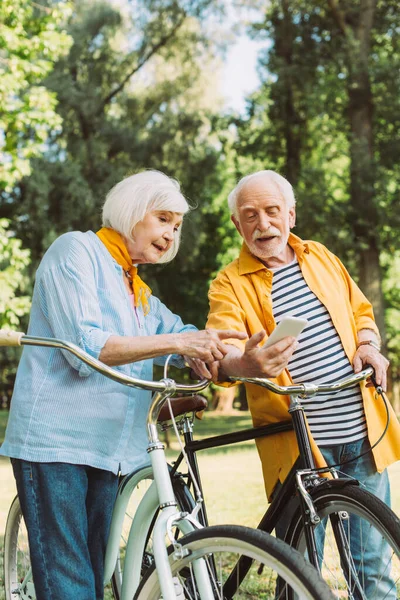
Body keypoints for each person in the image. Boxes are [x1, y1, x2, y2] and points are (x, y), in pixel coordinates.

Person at [0, 170, 246, 600]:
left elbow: (186, 340)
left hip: (112, 451)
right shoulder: (75, 250)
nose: (172, 232)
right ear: (132, 211)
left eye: (177, 225)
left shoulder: (138, 291)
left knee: (94, 576)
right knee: (70, 581)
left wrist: (242, 358)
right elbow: (86, 346)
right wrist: (179, 341)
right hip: (57, 444)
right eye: (164, 218)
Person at [206, 169, 400, 596]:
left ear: (290, 215)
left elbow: (362, 312)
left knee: (374, 572)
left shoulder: (321, 256)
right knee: (299, 576)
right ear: (238, 225)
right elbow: (223, 354)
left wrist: (368, 344)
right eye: (250, 215)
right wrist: (248, 364)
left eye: (272, 211)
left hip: (360, 435)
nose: (263, 224)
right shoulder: (228, 284)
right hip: (296, 446)